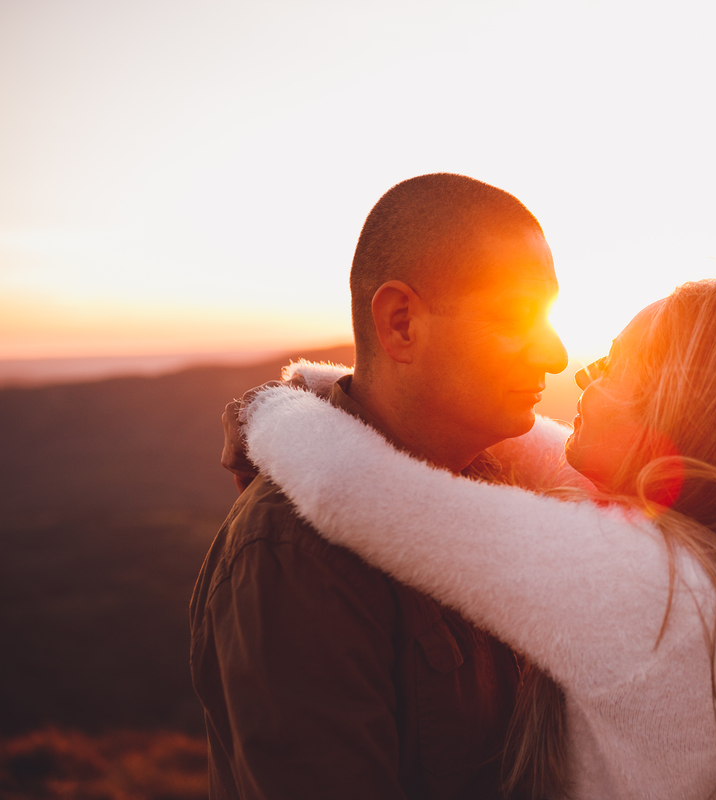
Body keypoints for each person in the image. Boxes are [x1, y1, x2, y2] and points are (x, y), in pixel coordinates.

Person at [230, 276, 716, 800]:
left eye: (610, 364)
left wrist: (264, 410)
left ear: (670, 410)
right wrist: (333, 387)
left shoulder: (641, 590)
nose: (582, 374)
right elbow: (530, 448)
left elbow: (346, 488)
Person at [190, 173, 569, 800]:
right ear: (400, 325)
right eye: (517, 317)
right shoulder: (296, 552)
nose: (555, 356)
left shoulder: (500, 487)